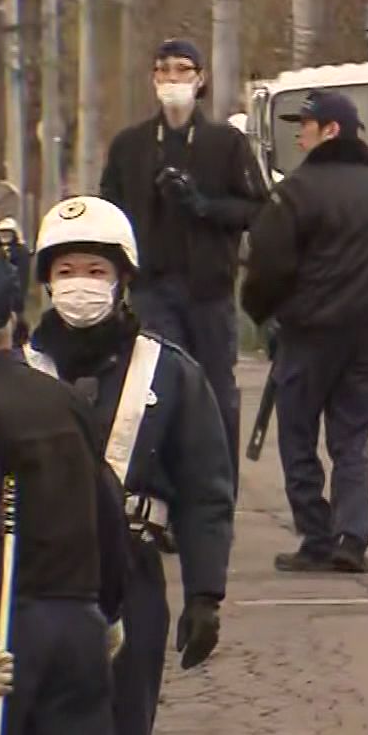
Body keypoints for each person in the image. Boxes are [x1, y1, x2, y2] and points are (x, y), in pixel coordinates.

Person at [24, 195, 233, 735]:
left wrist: (206, 593)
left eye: (94, 269)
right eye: (64, 270)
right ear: (45, 281)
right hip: (29, 590)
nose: (79, 284)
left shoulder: (169, 371)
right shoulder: (12, 374)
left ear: (122, 279)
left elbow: (206, 489)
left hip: (131, 585)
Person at [0, 251, 129, 735]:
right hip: (76, 623)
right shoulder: (61, 400)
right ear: (16, 319)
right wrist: (107, 610)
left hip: (2, 634)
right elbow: (106, 510)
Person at [242, 90, 368, 574]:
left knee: (297, 436)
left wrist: (264, 314)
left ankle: (316, 536)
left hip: (307, 335)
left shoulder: (295, 193)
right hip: (366, 336)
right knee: (351, 437)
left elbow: (267, 266)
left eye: (307, 123)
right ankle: (352, 535)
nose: (299, 132)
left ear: (331, 131)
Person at [100, 37, 267, 484]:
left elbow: (256, 209)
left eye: (182, 70)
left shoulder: (225, 144)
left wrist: (203, 205)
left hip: (209, 290)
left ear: (200, 79)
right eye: (163, 71)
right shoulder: (131, 146)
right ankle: (162, 491)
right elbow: (108, 214)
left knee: (215, 391)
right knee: (157, 389)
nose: (172, 80)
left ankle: (216, 489)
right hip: (153, 289)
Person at [0, 218, 30, 349]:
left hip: (15, 294)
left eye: (8, 234)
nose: (5, 237)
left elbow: (23, 275)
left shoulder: (21, 251)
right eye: (2, 234)